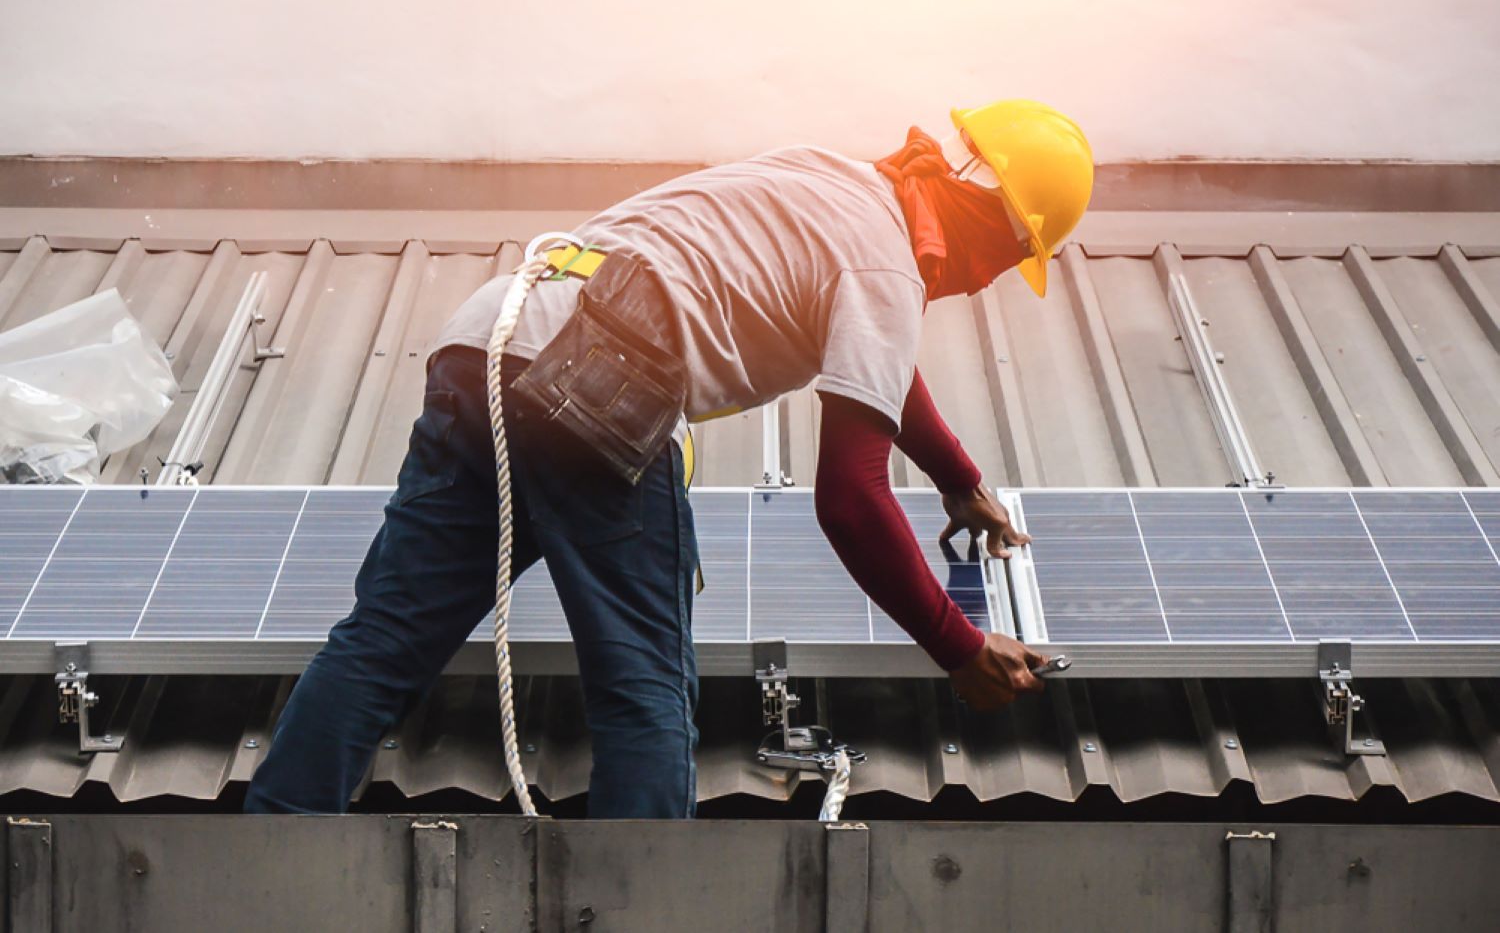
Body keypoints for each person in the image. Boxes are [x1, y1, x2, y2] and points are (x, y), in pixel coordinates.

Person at [243, 98, 1095, 819]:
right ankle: (637, 901)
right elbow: (851, 499)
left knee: (384, 638)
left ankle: (271, 854)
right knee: (644, 686)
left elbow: (882, 370)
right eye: (1016, 255)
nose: (988, 282)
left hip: (491, 339)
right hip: (599, 373)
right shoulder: (887, 267)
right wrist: (958, 648)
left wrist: (960, 482)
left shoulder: (831, 178)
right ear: (994, 219)